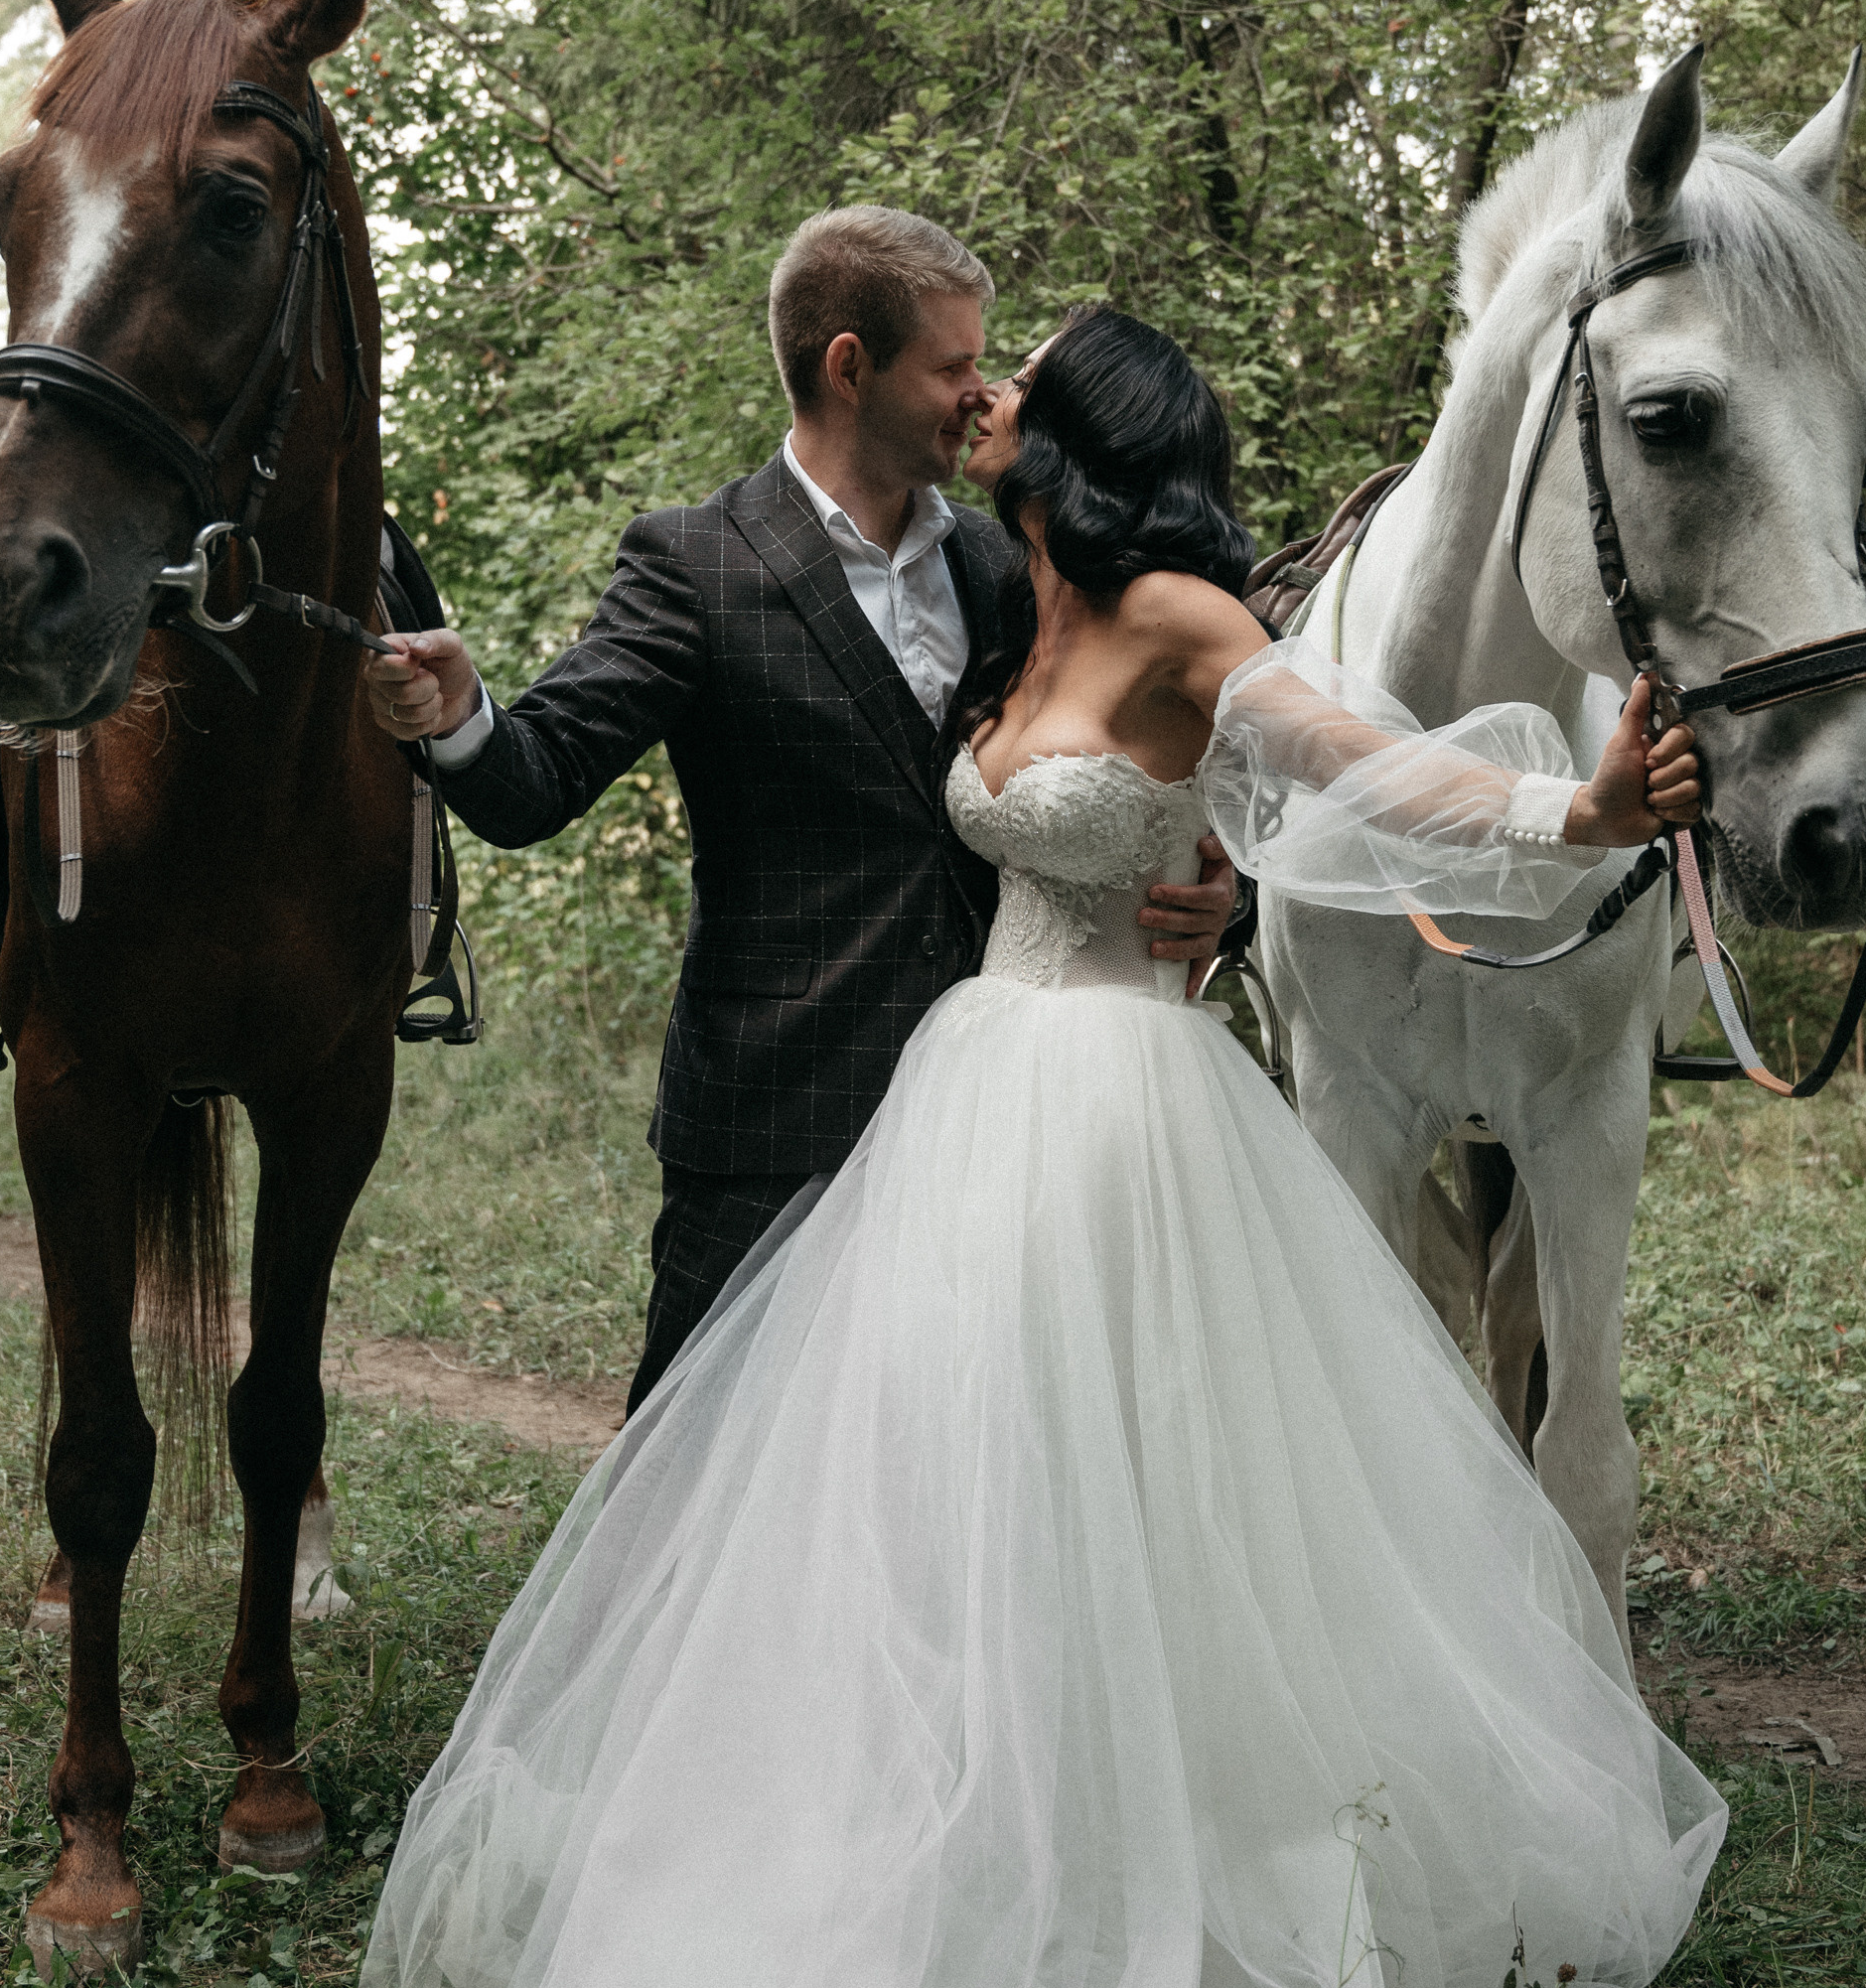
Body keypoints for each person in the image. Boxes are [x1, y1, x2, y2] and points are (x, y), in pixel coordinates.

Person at [359, 308, 1724, 1988]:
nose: (982, 394)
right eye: (966, 366)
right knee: (931, 1503)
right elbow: (1153, 810)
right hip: (959, 1091)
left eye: (1016, 377)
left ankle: (1138, 1864)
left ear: (1068, 433)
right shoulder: (1024, 595)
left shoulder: (1174, 607)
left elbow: (1341, 761)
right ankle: (916, 1832)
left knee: (1139, 1493)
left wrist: (1565, 817)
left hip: (1113, 1117)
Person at [366, 210, 1236, 1410]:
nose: (975, 394)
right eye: (949, 366)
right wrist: (462, 716)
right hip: (771, 1117)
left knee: (945, 1468)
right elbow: (537, 780)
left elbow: (1139, 758)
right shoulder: (695, 564)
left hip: (993, 1126)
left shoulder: (1006, 568)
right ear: (847, 366)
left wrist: (1218, 884)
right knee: (686, 1486)